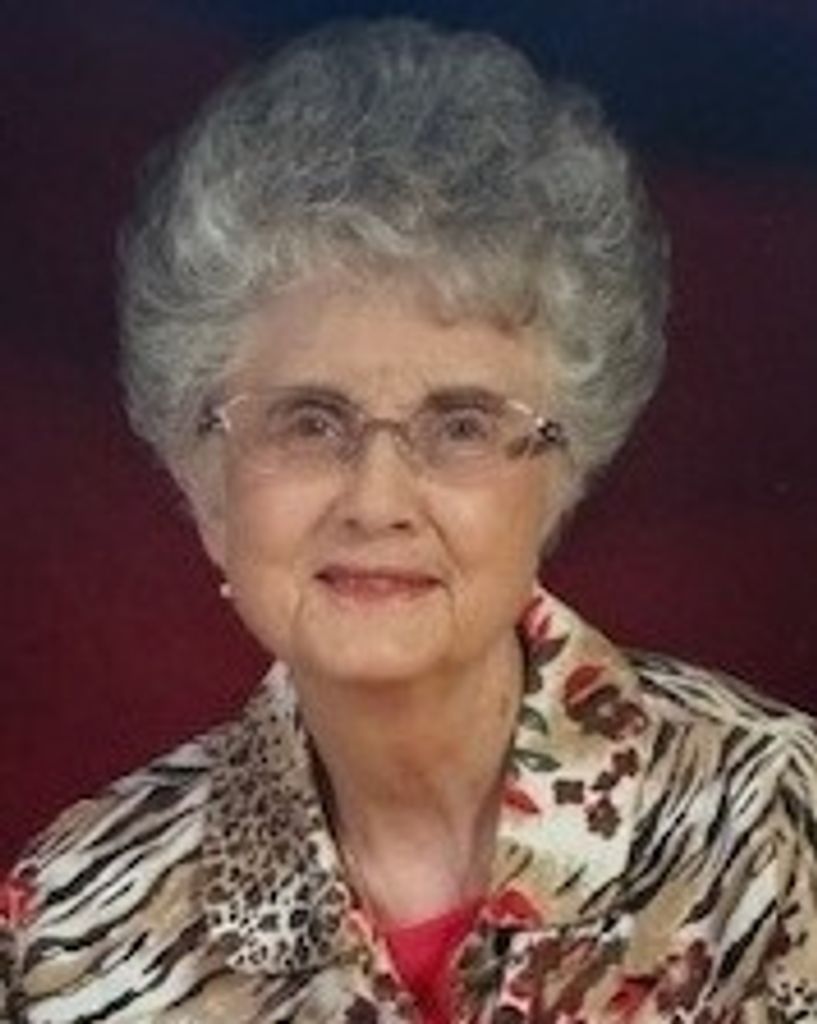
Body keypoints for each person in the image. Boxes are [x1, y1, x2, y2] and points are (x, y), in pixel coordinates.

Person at [1, 17, 815, 1023]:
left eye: (461, 426)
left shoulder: (774, 824)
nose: (377, 500)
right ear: (207, 483)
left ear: (557, 474)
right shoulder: (72, 929)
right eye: (309, 422)